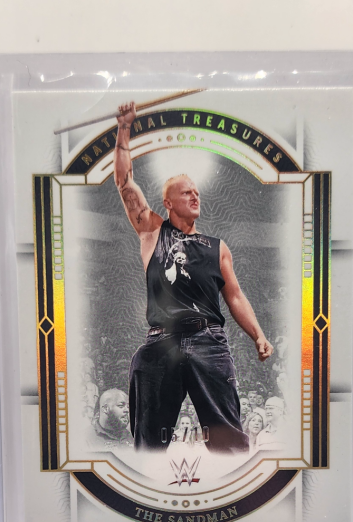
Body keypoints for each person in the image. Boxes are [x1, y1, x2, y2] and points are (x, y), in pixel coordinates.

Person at [114, 100, 274, 454]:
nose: (195, 195)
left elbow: (235, 295)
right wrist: (124, 128)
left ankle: (235, 486)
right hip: (162, 341)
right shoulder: (152, 231)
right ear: (168, 203)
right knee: (147, 444)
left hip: (208, 340)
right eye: (186, 192)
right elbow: (124, 182)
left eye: (197, 192)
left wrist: (258, 335)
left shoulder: (218, 247)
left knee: (229, 442)